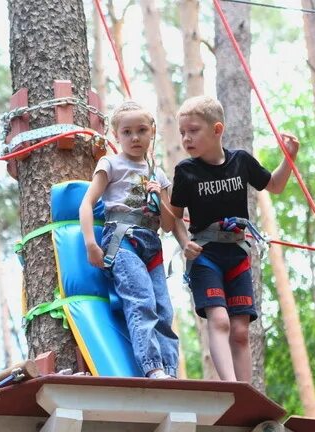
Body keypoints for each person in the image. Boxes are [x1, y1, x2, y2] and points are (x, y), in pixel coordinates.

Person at [170, 95, 299, 382]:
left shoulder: (240, 161)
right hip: (205, 255)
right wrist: (183, 243)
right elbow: (174, 217)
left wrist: (289, 159)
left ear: (217, 130)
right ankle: (231, 387)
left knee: (240, 331)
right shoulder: (186, 171)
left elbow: (275, 186)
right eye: (182, 133)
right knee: (219, 320)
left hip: (237, 254)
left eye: (193, 131)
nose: (186, 138)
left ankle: (246, 390)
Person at [80, 100, 179, 379]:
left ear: (152, 132)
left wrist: (159, 194)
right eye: (127, 132)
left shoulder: (157, 173)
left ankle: (170, 370)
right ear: (116, 135)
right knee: (141, 300)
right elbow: (87, 203)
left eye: (142, 130)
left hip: (152, 242)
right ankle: (153, 367)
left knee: (163, 307)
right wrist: (91, 243)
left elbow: (169, 225)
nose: (135, 137)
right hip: (122, 239)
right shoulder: (110, 163)